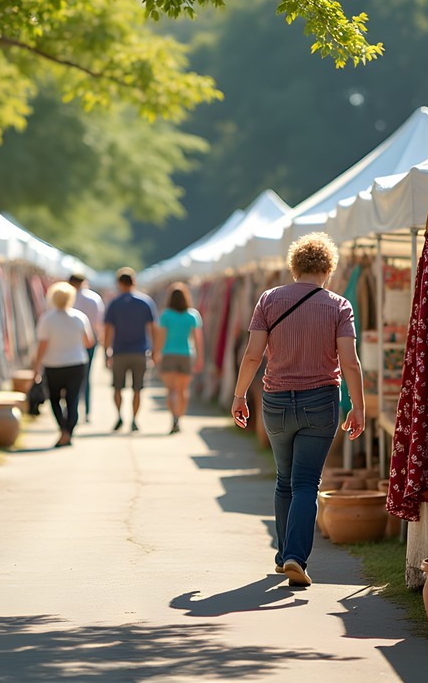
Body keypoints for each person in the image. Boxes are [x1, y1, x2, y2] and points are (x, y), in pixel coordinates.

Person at [231, 232, 365, 588]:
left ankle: (283, 555)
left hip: (275, 401)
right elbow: (350, 363)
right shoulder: (339, 305)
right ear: (328, 267)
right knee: (306, 482)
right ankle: (295, 557)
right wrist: (358, 407)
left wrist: (239, 395)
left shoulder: (269, 300)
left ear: (294, 266)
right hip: (320, 401)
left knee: (284, 480)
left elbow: (252, 355)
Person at [32, 281, 94, 447]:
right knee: (73, 399)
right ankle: (69, 431)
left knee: (54, 399)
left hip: (54, 364)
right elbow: (89, 342)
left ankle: (63, 430)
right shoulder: (79, 317)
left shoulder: (47, 319)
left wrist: (36, 367)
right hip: (76, 362)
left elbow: (42, 347)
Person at [103, 267, 157, 433]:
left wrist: (106, 350)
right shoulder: (145, 302)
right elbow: (153, 328)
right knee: (137, 389)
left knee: (117, 388)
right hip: (140, 351)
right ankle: (134, 419)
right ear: (134, 281)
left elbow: (108, 329)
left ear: (119, 283)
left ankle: (119, 416)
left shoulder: (115, 303)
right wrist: (154, 350)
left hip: (119, 351)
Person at [153, 282, 203, 434]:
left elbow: (161, 336)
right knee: (182, 391)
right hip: (186, 354)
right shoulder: (192, 314)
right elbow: (198, 339)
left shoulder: (166, 315)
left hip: (169, 354)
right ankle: (179, 417)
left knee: (171, 391)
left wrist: (156, 352)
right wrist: (200, 358)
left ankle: (174, 417)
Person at [68, 273, 104, 423]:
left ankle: (71, 410)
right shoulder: (93, 298)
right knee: (86, 376)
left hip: (70, 341)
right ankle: (87, 411)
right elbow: (98, 322)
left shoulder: (66, 297)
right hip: (89, 341)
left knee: (70, 377)